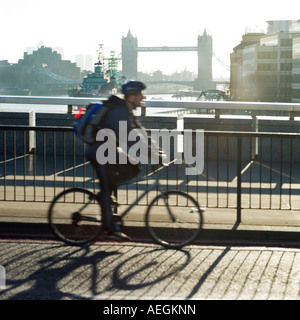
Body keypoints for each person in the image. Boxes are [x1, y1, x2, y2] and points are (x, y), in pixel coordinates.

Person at [85, 81, 162, 241]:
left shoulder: (127, 111)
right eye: (140, 94)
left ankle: (106, 193)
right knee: (106, 190)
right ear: (132, 96)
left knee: (133, 168)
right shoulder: (119, 112)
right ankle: (110, 229)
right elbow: (129, 137)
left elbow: (139, 133)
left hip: (110, 151)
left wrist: (156, 150)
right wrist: (150, 153)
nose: (143, 97)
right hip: (100, 153)